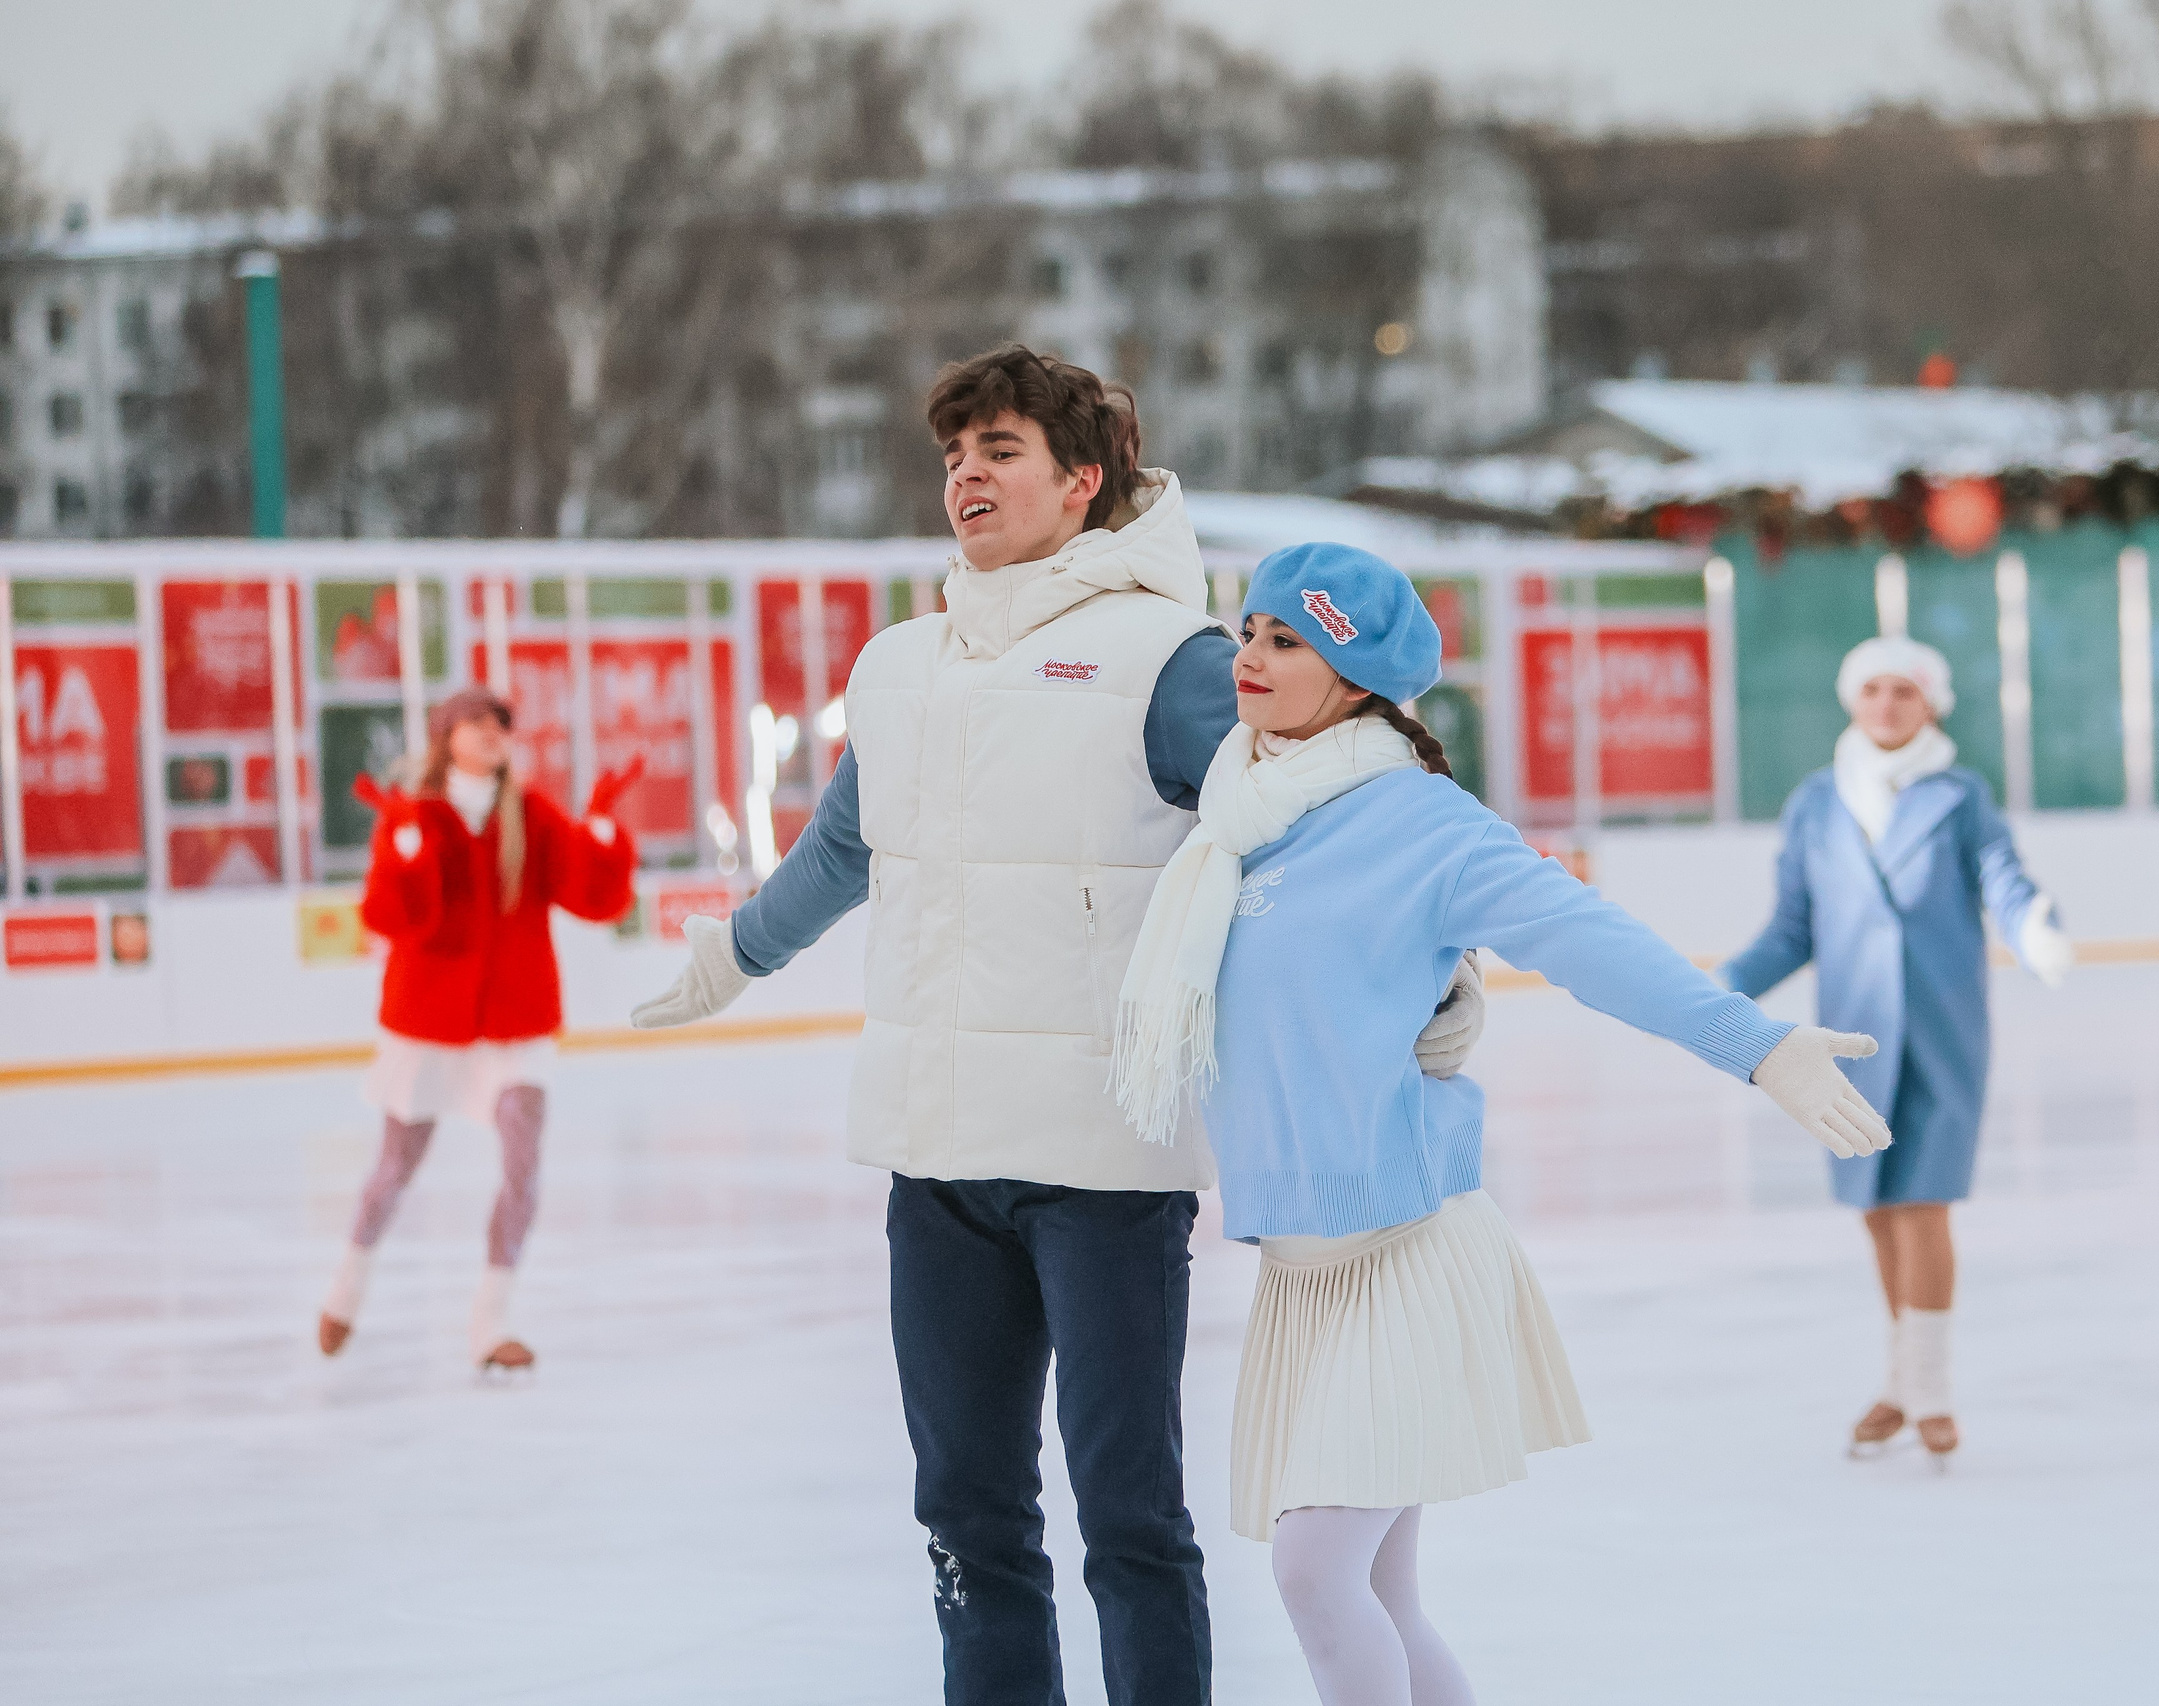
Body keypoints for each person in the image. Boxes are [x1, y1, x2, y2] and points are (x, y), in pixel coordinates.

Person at [631, 347, 1482, 1706]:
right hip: (937, 1156)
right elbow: (845, 849)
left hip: (1104, 1165)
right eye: (954, 452)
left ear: (1084, 481)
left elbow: (1324, 826)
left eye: (1002, 448)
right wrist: (732, 953)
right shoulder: (902, 667)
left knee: (1129, 1515)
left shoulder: (1174, 658)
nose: (966, 471)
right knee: (967, 1516)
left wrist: (1435, 981)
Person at [1110, 542, 1889, 1706]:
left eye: (1291, 640)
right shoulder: (1236, 817)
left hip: (1405, 1245)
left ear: (1360, 675)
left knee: (1318, 1574)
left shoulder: (1423, 822)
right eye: (1252, 632)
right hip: (1303, 1262)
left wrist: (1755, 1042)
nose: (1253, 659)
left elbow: (1589, 939)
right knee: (1384, 1594)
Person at [1718, 636, 2072, 1464]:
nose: (1886, 705)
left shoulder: (1960, 795)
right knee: (1878, 1206)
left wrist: (2035, 931)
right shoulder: (1816, 802)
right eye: (1872, 689)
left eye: (1903, 692)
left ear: (1931, 705)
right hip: (1853, 1033)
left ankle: (1932, 1390)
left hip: (1943, 1030)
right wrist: (1726, 981)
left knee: (1923, 1203)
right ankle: (1902, 1383)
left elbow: (2004, 883)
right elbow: (1794, 926)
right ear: (1852, 699)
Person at [315, 685, 638, 1374]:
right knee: (394, 1168)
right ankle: (346, 1289)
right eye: (478, 720)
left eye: (502, 722)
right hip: (429, 1022)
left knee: (523, 1165)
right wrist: (404, 851)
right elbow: (394, 919)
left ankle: (491, 1322)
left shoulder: (532, 813)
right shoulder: (415, 815)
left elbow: (590, 892)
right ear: (446, 735)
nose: (494, 730)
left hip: (515, 1021)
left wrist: (603, 830)